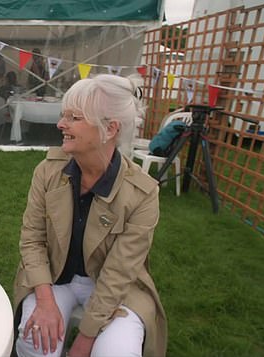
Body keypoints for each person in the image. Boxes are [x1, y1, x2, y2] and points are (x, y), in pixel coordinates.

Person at [13, 74, 167, 357]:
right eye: (63, 116)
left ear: (109, 129)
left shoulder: (142, 193)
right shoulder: (47, 172)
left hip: (114, 288)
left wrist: (84, 340)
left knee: (116, 353)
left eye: (74, 118)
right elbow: (32, 239)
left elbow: (119, 273)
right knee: (34, 343)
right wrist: (45, 302)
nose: (61, 124)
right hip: (55, 277)